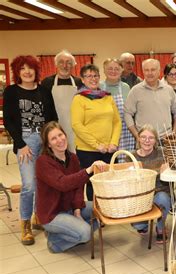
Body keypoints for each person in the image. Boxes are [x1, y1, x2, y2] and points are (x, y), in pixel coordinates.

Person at [3, 55, 58, 245]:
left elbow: (52, 118)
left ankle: (38, 217)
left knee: (42, 181)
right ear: (17, 72)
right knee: (28, 184)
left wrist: (51, 142)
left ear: (36, 70)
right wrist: (20, 144)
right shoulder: (11, 91)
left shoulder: (44, 91)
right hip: (25, 140)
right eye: (22, 69)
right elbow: (9, 120)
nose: (27, 72)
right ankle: (25, 223)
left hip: (43, 140)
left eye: (30, 68)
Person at [35, 121, 106, 253]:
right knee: (85, 233)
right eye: (53, 138)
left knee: (104, 210)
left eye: (60, 135)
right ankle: (55, 243)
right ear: (48, 144)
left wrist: (77, 209)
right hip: (52, 214)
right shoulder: (43, 162)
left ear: (65, 135)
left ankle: (66, 232)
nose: (59, 140)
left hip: (69, 207)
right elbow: (63, 183)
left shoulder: (72, 158)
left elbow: (78, 186)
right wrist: (88, 170)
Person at [71, 64, 121, 201]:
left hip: (109, 149)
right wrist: (97, 145)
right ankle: (95, 216)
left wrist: (114, 143)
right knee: (93, 184)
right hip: (88, 151)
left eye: (95, 75)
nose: (93, 79)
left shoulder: (107, 97)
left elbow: (117, 122)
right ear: (82, 79)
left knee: (110, 183)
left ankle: (109, 211)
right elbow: (77, 125)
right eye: (88, 76)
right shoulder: (79, 99)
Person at [130, 124, 171, 243]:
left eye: (151, 138)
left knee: (162, 198)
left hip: (161, 194)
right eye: (143, 137)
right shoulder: (131, 157)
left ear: (155, 140)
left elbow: (174, 171)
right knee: (138, 226)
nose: (147, 141)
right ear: (138, 138)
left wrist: (167, 171)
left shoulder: (164, 153)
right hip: (141, 197)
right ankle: (144, 225)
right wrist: (159, 172)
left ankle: (160, 227)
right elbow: (131, 180)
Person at [124, 58, 176, 139]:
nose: (149, 73)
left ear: (159, 71)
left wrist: (174, 131)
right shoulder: (135, 91)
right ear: (143, 71)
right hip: (144, 141)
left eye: (153, 70)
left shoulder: (168, 90)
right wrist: (137, 136)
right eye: (146, 70)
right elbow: (127, 113)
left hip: (166, 139)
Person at [42, 50, 82, 152]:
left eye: (69, 63)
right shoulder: (47, 82)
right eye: (61, 62)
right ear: (56, 64)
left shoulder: (78, 82)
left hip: (75, 128)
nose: (65, 66)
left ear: (73, 65)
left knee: (74, 156)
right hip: (54, 126)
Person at [100, 58, 134, 162]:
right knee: (109, 162)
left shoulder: (126, 87)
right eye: (110, 68)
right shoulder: (99, 87)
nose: (113, 71)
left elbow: (130, 110)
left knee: (125, 162)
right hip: (106, 131)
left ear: (121, 70)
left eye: (116, 69)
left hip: (124, 131)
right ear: (104, 70)